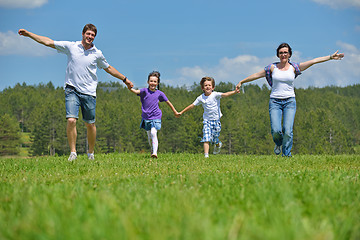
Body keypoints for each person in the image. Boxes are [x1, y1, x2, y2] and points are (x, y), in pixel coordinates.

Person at [18, 24, 134, 161]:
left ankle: (90, 153)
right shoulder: (71, 47)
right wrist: (29, 34)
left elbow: (108, 68)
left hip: (89, 92)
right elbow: (48, 42)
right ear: (83, 34)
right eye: (88, 34)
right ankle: (73, 153)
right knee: (71, 120)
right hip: (72, 89)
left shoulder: (97, 53)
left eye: (92, 35)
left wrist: (124, 79)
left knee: (90, 124)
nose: (90, 37)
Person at [236, 43, 344, 157]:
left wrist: (330, 57)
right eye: (281, 52)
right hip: (275, 102)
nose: (283, 54)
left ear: (289, 54)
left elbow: (313, 61)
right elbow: (257, 75)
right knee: (276, 130)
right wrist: (241, 82)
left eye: (285, 52)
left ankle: (286, 155)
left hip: (290, 102)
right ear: (278, 54)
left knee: (288, 130)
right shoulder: (272, 68)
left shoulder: (294, 67)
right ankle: (278, 143)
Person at [179, 77, 237, 158]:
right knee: (206, 138)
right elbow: (192, 106)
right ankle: (206, 156)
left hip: (216, 121)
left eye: (209, 85)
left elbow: (225, 94)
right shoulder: (200, 98)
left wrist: (234, 92)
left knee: (214, 139)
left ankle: (218, 144)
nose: (207, 87)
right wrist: (181, 112)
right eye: (205, 85)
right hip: (207, 121)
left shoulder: (215, 95)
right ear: (202, 88)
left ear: (213, 87)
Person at [128, 71, 180, 158]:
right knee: (149, 136)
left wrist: (175, 111)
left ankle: (155, 153)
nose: (153, 83)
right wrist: (129, 87)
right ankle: (152, 150)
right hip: (146, 117)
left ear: (157, 83)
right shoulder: (144, 91)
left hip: (156, 117)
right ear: (148, 82)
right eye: (151, 81)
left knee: (153, 132)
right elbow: (135, 91)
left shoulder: (160, 93)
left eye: (155, 81)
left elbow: (168, 102)